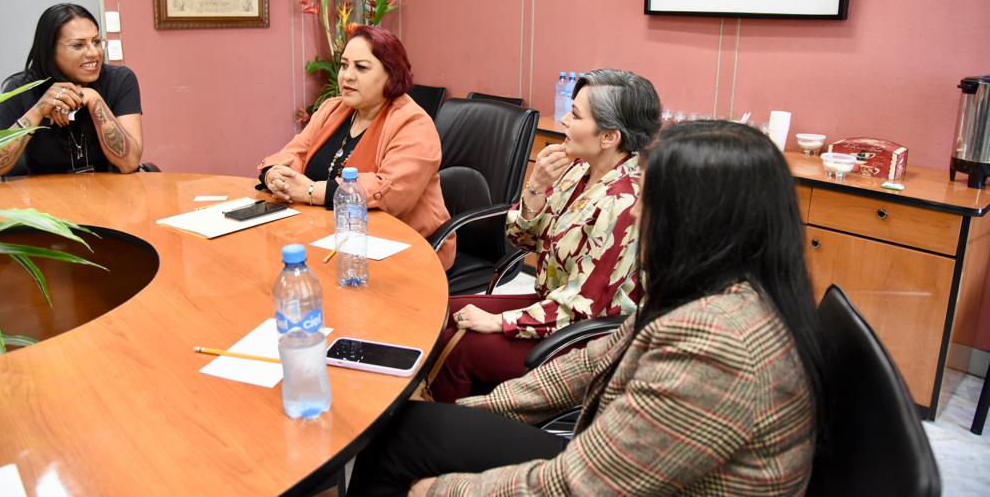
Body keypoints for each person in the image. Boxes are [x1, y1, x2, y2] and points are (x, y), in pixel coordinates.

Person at [347, 120, 827, 496]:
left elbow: (578, 487)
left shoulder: (719, 345)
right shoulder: (707, 288)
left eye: (650, 200)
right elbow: (588, 364)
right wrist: (480, 410)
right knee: (405, 428)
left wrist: (438, 491)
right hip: (613, 460)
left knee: (398, 456)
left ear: (700, 220)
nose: (636, 212)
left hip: (609, 477)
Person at [430, 69, 660, 402]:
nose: (564, 120)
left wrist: (500, 321)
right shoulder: (580, 169)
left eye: (576, 115)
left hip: (585, 339)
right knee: (440, 312)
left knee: (460, 349)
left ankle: (447, 424)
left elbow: (582, 309)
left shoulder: (623, 202)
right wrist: (536, 185)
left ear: (609, 137)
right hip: (554, 306)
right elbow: (522, 240)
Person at [258, 26, 455, 269]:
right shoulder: (332, 108)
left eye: (361, 67)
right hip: (334, 237)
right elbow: (294, 152)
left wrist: (311, 190)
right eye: (344, 65)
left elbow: (389, 191)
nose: (347, 76)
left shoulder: (413, 123)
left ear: (391, 75)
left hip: (403, 247)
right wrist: (274, 174)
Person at [0, 3, 143, 176]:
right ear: (49, 50)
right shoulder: (22, 88)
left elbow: (130, 163)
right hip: (45, 191)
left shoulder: (120, 80)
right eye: (78, 45)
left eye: (96, 42)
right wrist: (39, 110)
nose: (94, 53)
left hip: (108, 189)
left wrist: (93, 98)